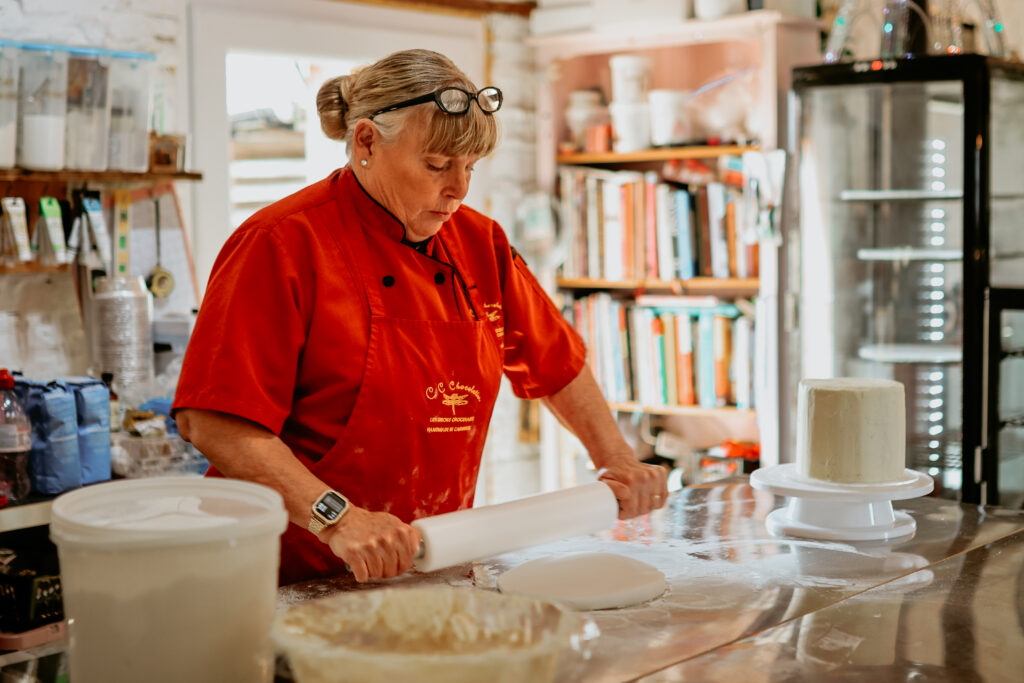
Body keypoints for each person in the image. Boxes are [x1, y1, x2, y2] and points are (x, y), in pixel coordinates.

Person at [173, 49, 667, 586]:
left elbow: (556, 364)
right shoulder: (281, 244)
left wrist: (616, 457)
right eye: (436, 166)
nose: (458, 189)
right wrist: (336, 518)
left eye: (470, 168)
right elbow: (215, 421)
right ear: (366, 142)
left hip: (428, 559)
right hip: (285, 572)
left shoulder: (481, 243)